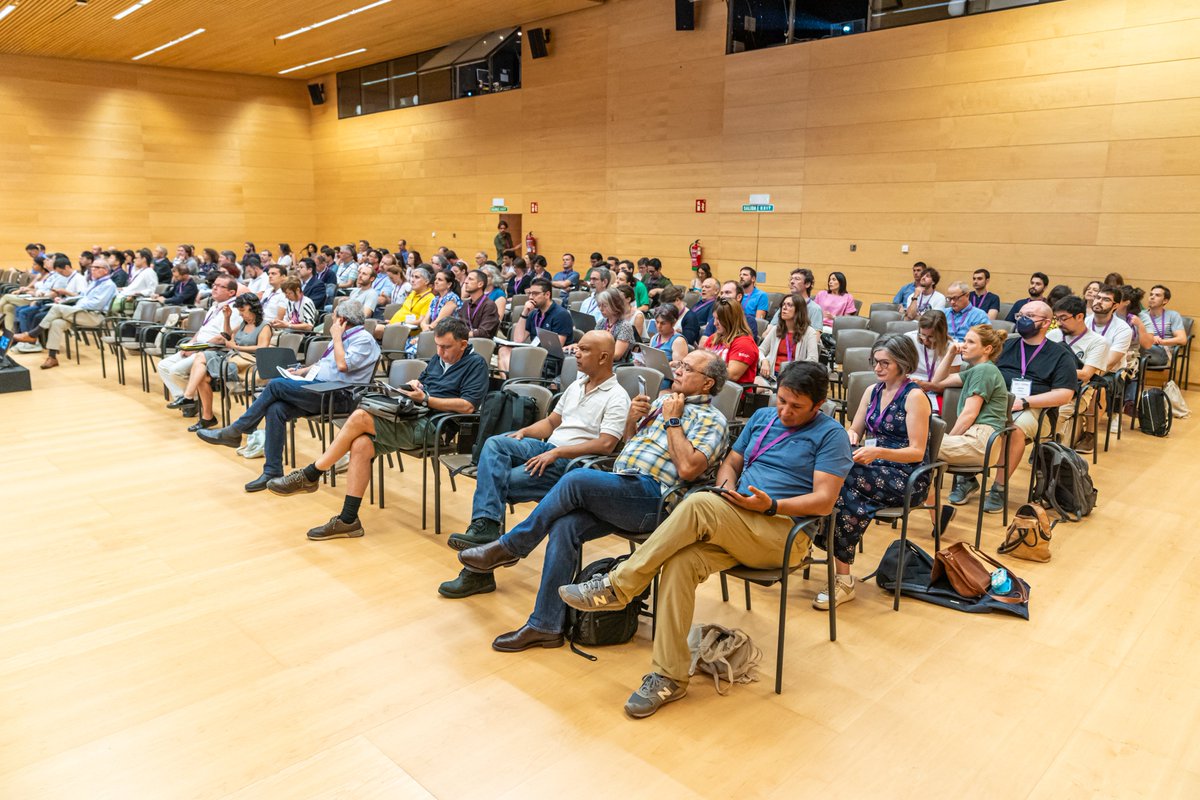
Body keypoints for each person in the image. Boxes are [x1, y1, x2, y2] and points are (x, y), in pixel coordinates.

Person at [556, 361, 851, 718]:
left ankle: (619, 586)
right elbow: (731, 464)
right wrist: (727, 492)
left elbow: (825, 501)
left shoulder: (831, 435)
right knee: (680, 562)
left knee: (698, 503)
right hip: (741, 519)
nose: (785, 411)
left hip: (784, 533)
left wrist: (771, 505)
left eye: (796, 406)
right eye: (782, 400)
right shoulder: (762, 418)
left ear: (818, 406)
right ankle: (669, 676)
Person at [456, 350, 730, 660]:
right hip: (623, 486)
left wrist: (673, 420)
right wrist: (632, 421)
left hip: (656, 500)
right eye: (679, 364)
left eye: (686, 368)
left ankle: (511, 546)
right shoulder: (664, 402)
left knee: (575, 479)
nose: (677, 370)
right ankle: (545, 625)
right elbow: (629, 444)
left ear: (707, 383)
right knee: (564, 526)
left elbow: (688, 469)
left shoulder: (713, 420)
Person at [439, 331, 629, 597]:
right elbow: (551, 423)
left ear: (604, 357)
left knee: (495, 483)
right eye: (578, 347)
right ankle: (486, 530)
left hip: (571, 464)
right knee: (495, 444)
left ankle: (478, 566)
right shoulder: (577, 385)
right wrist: (525, 432)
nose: (576, 352)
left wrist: (557, 453)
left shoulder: (617, 396)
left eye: (585, 349)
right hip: (547, 449)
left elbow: (606, 444)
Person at [265, 317, 486, 538]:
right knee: (361, 445)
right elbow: (425, 383)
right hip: (413, 415)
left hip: (436, 427)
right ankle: (348, 520)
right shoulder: (438, 359)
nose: (440, 352)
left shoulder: (476, 365)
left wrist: (427, 399)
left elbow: (468, 406)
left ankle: (311, 473)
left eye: (446, 347)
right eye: (437, 346)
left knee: (360, 416)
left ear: (463, 344)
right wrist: (416, 385)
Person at [197, 301, 380, 493]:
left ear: (342, 320)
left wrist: (336, 338)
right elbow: (326, 364)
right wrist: (301, 371)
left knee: (276, 385)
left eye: (334, 316)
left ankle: (236, 430)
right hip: (321, 389)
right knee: (276, 409)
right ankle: (272, 471)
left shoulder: (363, 339)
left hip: (339, 396)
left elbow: (342, 365)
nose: (331, 319)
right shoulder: (344, 337)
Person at [818, 334, 932, 608]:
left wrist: (878, 452)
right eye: (875, 362)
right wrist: (851, 437)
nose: (877, 368)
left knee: (843, 484)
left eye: (885, 363)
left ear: (902, 363)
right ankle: (839, 570)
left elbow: (917, 452)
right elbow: (855, 429)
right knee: (832, 476)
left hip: (906, 474)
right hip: (874, 464)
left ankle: (842, 576)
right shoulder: (873, 391)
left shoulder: (915, 396)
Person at [946, 300, 1076, 513]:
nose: (1023, 319)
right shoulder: (1007, 346)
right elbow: (976, 373)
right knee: (970, 414)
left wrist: (1025, 401)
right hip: (996, 401)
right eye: (1020, 315)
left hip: (1034, 408)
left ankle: (999, 487)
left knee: (1014, 430)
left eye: (1029, 316)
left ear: (1046, 323)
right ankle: (967, 477)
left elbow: (1065, 394)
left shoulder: (1060, 354)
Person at [930, 324, 1012, 505]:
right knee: (916, 445)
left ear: (987, 349)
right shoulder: (977, 370)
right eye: (964, 340)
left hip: (982, 440)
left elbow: (969, 415)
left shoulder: (985, 371)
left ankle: (920, 500)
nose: (963, 345)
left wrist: (946, 439)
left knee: (918, 445)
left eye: (971, 342)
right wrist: (950, 353)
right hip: (977, 438)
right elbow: (937, 382)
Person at [177, 292, 272, 431]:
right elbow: (227, 335)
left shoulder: (265, 326)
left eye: (243, 310)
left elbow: (262, 348)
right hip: (233, 360)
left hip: (248, 365)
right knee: (201, 369)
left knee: (201, 361)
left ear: (253, 307)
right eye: (239, 311)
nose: (241, 314)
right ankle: (203, 413)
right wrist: (227, 318)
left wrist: (237, 347)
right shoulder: (244, 323)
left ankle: (192, 400)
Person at [152, 275, 242, 404]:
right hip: (199, 347)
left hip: (213, 351)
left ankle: (191, 400)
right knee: (163, 365)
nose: (214, 288)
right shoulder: (215, 306)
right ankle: (187, 401)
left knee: (176, 371)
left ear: (231, 292)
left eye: (220, 286)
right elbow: (202, 329)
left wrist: (196, 348)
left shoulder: (234, 309)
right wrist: (190, 344)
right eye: (214, 285)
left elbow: (224, 338)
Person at [1046, 295, 1109, 454]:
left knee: (1054, 414)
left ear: (1080, 316)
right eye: (1056, 318)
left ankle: (1047, 451)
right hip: (1048, 386)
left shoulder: (1097, 342)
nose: (1059, 323)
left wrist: (1052, 370)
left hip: (1078, 392)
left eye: (1063, 318)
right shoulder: (1052, 335)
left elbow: (1086, 374)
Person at [498, 277, 572, 372]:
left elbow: (555, 349)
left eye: (535, 294)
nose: (531, 297)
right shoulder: (534, 313)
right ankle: (510, 379)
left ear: (547, 294)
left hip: (550, 360)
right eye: (530, 293)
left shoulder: (561, 314)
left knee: (513, 358)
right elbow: (518, 339)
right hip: (534, 353)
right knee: (504, 350)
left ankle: (512, 378)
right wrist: (525, 312)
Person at [757, 292, 819, 380]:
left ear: (798, 310)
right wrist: (764, 361)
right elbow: (760, 350)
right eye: (783, 304)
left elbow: (813, 360)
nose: (784, 308)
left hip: (794, 378)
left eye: (789, 305)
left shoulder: (809, 332)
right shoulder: (776, 329)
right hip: (772, 375)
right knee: (756, 382)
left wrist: (795, 370)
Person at [703, 297, 759, 386]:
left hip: (730, 392)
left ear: (731, 320)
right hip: (710, 386)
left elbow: (732, 375)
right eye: (714, 318)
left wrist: (702, 368)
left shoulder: (744, 343)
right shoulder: (713, 338)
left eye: (719, 319)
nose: (715, 323)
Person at [907, 311, 954, 413]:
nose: (925, 340)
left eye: (931, 337)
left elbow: (951, 387)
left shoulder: (952, 348)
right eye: (922, 335)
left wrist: (927, 385)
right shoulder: (909, 339)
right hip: (909, 388)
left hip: (937, 393)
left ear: (941, 334)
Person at [576, 287, 636, 363]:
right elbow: (592, 342)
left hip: (615, 365)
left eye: (604, 306)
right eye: (599, 305)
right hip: (599, 361)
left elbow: (616, 355)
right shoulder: (601, 322)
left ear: (615, 306)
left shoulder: (625, 326)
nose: (601, 309)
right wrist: (578, 347)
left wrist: (592, 354)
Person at [1140, 284, 1186, 368]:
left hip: (1162, 353)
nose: (1152, 297)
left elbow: (1182, 339)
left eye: (1157, 295)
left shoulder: (1173, 315)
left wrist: (1159, 341)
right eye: (1151, 294)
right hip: (1142, 350)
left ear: (1165, 301)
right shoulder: (1141, 315)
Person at [457, 268, 500, 339]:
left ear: (480, 284)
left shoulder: (489, 305)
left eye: (470, 279)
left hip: (479, 343)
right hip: (464, 340)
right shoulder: (466, 304)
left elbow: (484, 332)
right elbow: (459, 325)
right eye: (466, 279)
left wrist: (462, 335)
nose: (465, 282)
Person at [684, 277, 717, 346]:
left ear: (716, 291)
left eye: (707, 287)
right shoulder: (700, 302)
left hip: (693, 335)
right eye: (702, 287)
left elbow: (708, 325)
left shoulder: (714, 305)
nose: (703, 289)